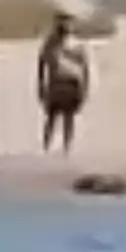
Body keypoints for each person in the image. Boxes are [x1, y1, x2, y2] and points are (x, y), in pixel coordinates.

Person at [37, 12, 91, 154]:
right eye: (60, 22)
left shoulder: (76, 44)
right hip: (56, 84)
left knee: (68, 118)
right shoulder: (49, 43)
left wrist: (85, 88)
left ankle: (67, 149)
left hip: (71, 84)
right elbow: (41, 64)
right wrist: (40, 85)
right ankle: (46, 148)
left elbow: (85, 67)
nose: (64, 26)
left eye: (66, 22)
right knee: (52, 118)